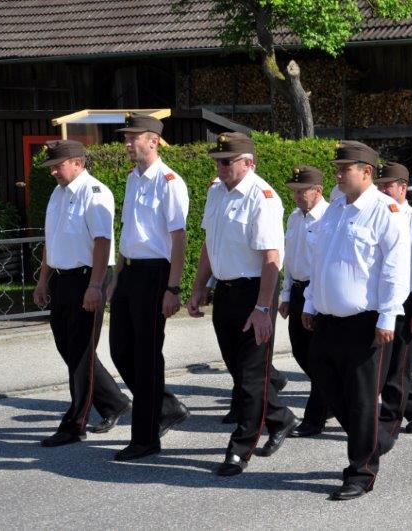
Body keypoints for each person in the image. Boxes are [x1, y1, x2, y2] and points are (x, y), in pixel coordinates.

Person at [302, 140, 410, 501]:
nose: (337, 174)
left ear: (366, 172)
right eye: (336, 168)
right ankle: (374, 439)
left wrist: (388, 316)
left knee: (363, 400)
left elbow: (395, 269)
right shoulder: (334, 209)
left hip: (365, 322)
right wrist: (310, 302)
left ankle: (361, 471)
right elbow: (320, 261)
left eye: (344, 169)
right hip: (328, 319)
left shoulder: (385, 211)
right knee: (328, 385)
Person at [185, 133, 297, 476]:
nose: (219, 167)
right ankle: (280, 417)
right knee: (240, 370)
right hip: (226, 291)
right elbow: (209, 244)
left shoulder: (262, 197)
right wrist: (200, 286)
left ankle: (239, 449)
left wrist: (263, 308)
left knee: (250, 376)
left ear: (248, 163)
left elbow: (271, 258)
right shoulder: (216, 191)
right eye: (217, 161)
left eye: (226, 161)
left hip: (255, 291)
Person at [32, 140, 131, 447]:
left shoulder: (95, 192)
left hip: (88, 277)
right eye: (51, 167)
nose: (53, 172)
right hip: (62, 280)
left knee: (80, 354)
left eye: (57, 166)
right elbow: (51, 240)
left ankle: (75, 424)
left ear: (77, 162)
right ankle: (114, 403)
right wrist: (42, 280)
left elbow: (102, 242)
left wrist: (95, 285)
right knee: (69, 348)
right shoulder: (58, 193)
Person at [107, 113, 190, 461]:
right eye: (126, 138)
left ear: (153, 141)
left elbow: (179, 238)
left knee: (146, 357)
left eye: (133, 137)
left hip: (155, 275)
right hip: (130, 272)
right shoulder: (132, 178)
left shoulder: (169, 182)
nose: (127, 143)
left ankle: (145, 438)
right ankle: (166, 406)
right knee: (120, 350)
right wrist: (116, 277)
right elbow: (128, 231)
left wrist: (173, 288)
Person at [374, 161, 412, 437]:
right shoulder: (379, 216)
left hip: (407, 299)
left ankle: (390, 419)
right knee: (385, 364)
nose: (382, 190)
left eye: (387, 185)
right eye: (379, 185)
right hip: (382, 298)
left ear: (403, 188)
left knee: (398, 365)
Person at [279, 165, 330, 438]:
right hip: (298, 291)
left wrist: (311, 303)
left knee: (318, 357)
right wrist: (286, 294)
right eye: (294, 191)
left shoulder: (328, 218)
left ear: (318, 190)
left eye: (302, 191)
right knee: (300, 350)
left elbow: (323, 263)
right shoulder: (294, 217)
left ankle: (315, 418)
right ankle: (333, 393)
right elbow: (290, 260)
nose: (297, 196)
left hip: (318, 292)